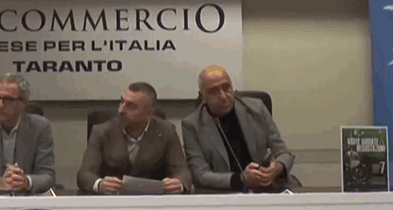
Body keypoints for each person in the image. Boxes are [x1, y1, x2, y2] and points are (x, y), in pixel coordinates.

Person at [181, 65, 300, 193]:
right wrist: (241, 179)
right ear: (202, 96)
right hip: (227, 191)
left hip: (266, 185)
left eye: (226, 88)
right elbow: (200, 174)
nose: (223, 96)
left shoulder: (256, 109)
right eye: (214, 91)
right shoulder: (192, 125)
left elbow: (283, 152)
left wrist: (277, 168)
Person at [77, 82, 191, 195]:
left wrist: (178, 183)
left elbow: (182, 172)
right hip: (112, 200)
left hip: (152, 200)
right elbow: (84, 174)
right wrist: (100, 184)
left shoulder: (166, 131)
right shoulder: (102, 131)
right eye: (121, 102)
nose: (121, 110)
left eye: (130, 106)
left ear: (149, 113)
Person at [0, 74, 56, 194]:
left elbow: (48, 176)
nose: (0, 105)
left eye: (8, 100)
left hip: (26, 200)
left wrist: (26, 181)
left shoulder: (40, 127)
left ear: (23, 103)